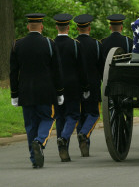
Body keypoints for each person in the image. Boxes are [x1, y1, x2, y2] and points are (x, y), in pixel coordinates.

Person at [9, 13, 64, 169]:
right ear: (42, 26)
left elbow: (13, 72)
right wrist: (60, 91)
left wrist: (14, 94)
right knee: (48, 118)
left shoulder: (17, 45)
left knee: (30, 125)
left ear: (28, 26)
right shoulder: (49, 43)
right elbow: (57, 70)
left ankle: (35, 159)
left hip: (25, 91)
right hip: (46, 91)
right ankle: (39, 141)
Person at [53, 13, 89, 162]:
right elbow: (81, 69)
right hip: (72, 86)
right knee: (73, 115)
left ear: (57, 27)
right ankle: (64, 138)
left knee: (60, 117)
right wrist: (86, 87)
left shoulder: (51, 43)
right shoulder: (75, 45)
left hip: (56, 86)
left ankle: (64, 150)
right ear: (68, 27)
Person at [74, 14, 104, 157]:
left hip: (76, 85)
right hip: (92, 85)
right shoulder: (96, 45)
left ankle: (84, 144)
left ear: (77, 28)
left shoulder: (73, 44)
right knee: (93, 114)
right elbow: (102, 67)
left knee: (81, 115)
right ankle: (84, 134)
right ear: (89, 28)